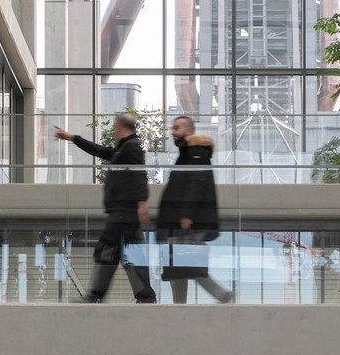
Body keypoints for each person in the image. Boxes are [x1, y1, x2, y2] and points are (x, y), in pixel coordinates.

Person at [53, 114, 157, 303]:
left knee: (109, 252)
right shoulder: (123, 149)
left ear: (118, 127)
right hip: (123, 213)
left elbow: (139, 174)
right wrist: (72, 138)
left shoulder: (131, 147)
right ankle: (143, 297)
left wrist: (142, 203)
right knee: (124, 254)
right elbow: (98, 150)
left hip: (124, 213)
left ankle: (98, 296)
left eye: (114, 127)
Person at [156, 116, 233, 304]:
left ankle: (223, 296)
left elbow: (195, 183)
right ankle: (180, 306)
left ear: (188, 131)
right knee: (179, 268)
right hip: (180, 222)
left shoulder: (195, 152)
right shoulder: (187, 153)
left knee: (190, 265)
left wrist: (186, 215)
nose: (172, 131)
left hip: (187, 222)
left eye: (176, 128)